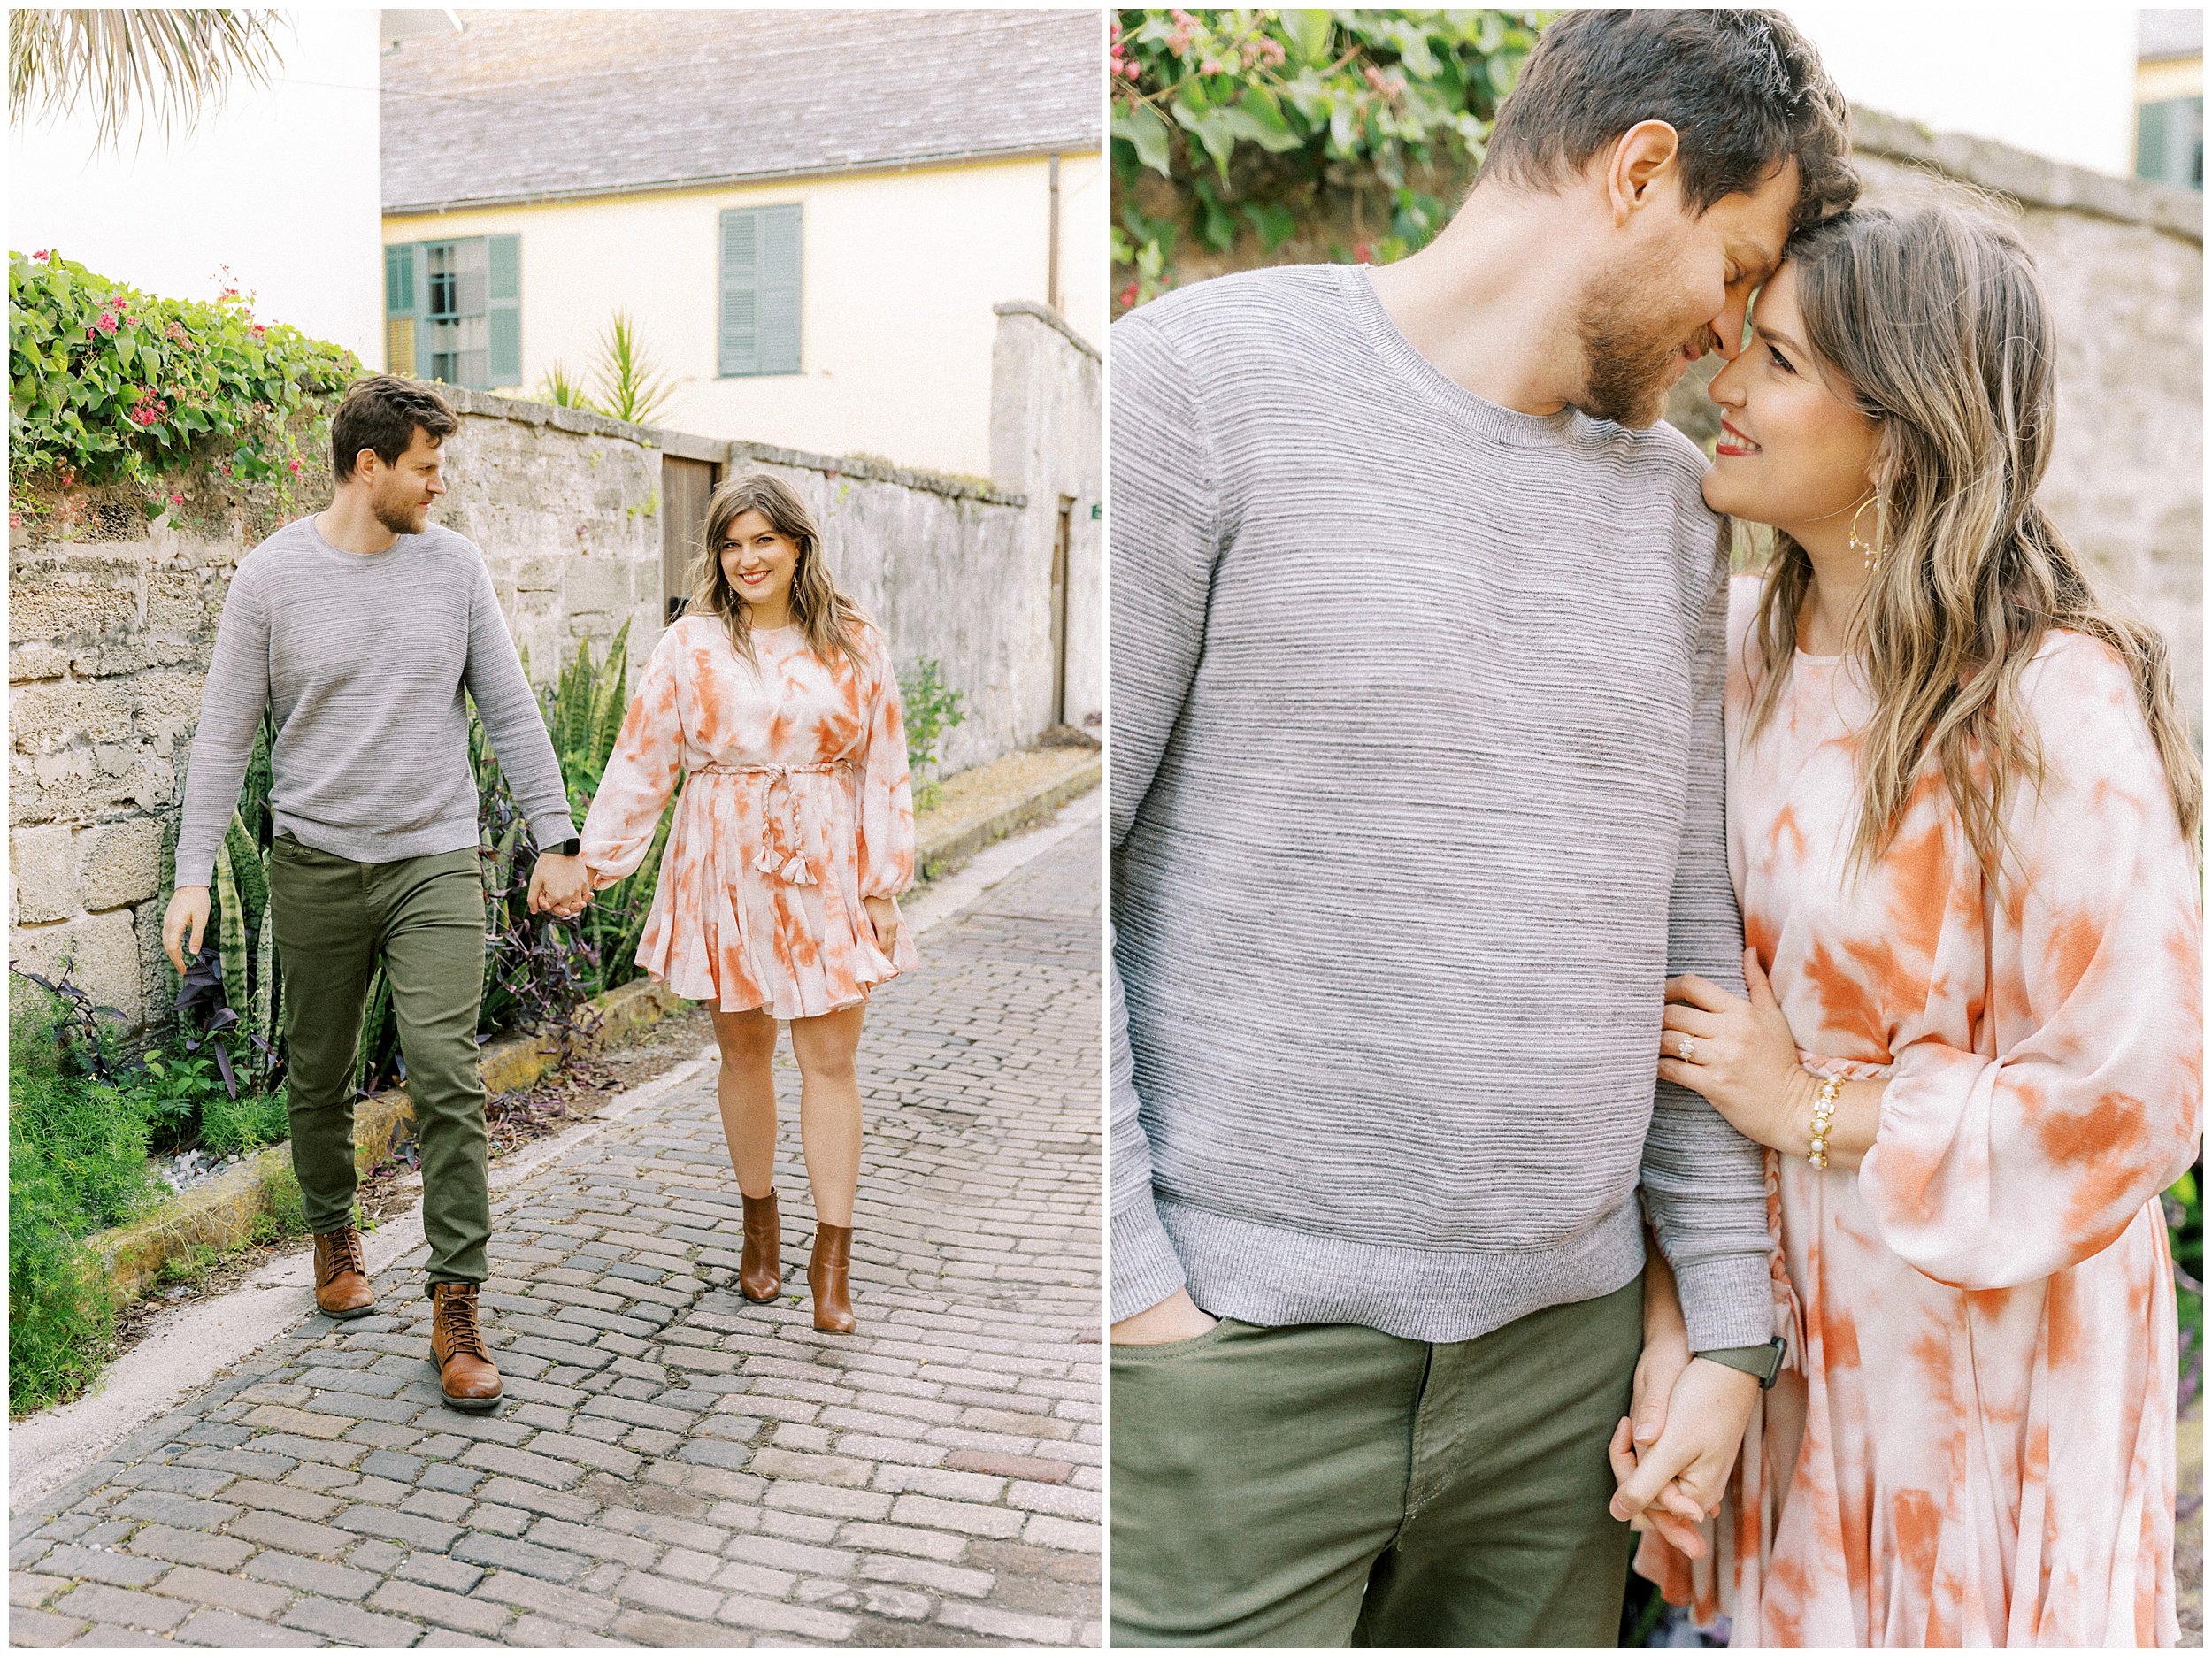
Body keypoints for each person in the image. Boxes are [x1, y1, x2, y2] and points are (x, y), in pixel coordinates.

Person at [1108, 9, 1858, 1645]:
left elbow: (1681, 934)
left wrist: (1726, 1327)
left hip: (1563, 1403)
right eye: (1736, 273)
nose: (1732, 342)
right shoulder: (1197, 389)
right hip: (1238, 1370)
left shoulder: (1671, 512)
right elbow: (1069, 885)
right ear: (1640, 170)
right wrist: (1132, 1292)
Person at [1621, 202, 2202, 1645]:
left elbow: (2138, 1090)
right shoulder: (1738, 656)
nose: (1723, 389)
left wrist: (1813, 1105)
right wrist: (1686, 1324)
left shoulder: (2047, 699)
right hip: (1792, 1342)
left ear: (1896, 426)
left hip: (1991, 1359)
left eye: (1779, 363)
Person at [163, 375, 589, 1412]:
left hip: (434, 857)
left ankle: (457, 1304)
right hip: (314, 862)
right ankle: (334, 1230)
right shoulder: (270, 579)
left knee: (446, 1069)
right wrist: (193, 873)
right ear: (369, 467)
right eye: (425, 467)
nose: (438, 487)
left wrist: (558, 837)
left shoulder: (455, 570)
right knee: (320, 1072)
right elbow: (223, 735)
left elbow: (513, 709)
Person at [574, 473, 917, 1335]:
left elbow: (885, 763)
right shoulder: (689, 646)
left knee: (831, 1059)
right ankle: (757, 1222)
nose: (746, 558)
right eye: (731, 543)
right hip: (721, 862)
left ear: (797, 543)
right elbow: (641, 759)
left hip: (823, 863)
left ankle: (830, 1257)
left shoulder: (854, 640)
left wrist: (880, 887)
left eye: (763, 540)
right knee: (742, 1050)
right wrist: (595, 863)